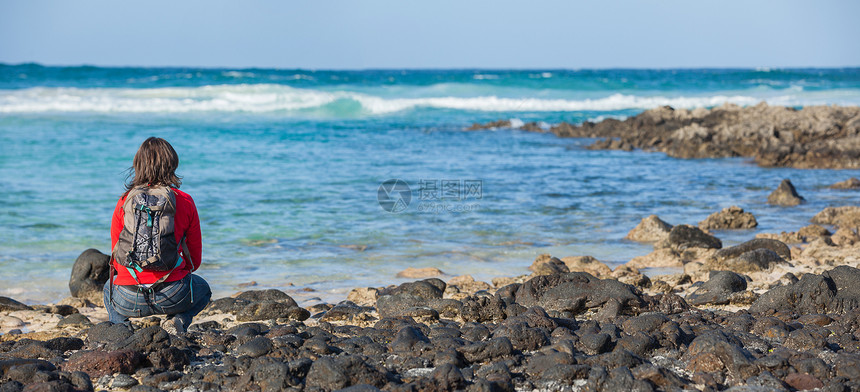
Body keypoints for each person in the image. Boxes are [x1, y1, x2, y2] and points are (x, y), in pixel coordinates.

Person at [103, 137, 211, 333]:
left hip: (129, 298)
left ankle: (122, 330)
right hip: (173, 295)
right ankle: (177, 320)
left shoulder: (124, 201)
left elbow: (116, 255)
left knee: (107, 287)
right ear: (172, 164)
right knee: (203, 288)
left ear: (138, 165)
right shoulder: (185, 201)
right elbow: (194, 261)